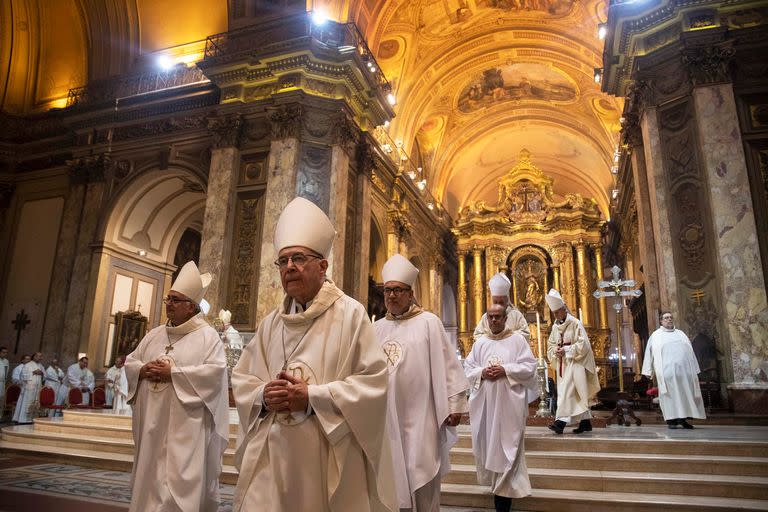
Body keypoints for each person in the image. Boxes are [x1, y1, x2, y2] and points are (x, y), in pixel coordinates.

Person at [232, 197, 396, 512]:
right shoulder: (271, 324)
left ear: (323, 266)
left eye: (299, 258)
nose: (289, 267)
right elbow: (243, 379)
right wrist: (264, 396)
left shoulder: (350, 315)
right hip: (273, 457)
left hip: (325, 456)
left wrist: (312, 397)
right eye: (283, 261)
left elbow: (373, 382)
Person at [124, 261, 229, 512]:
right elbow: (131, 361)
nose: (168, 304)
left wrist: (174, 373)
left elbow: (215, 373)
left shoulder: (207, 336)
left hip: (186, 427)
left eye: (175, 299)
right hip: (152, 423)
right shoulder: (155, 334)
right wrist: (142, 369)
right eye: (167, 299)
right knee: (150, 475)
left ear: (191, 306)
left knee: (179, 481)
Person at [374, 253, 469, 512]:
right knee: (390, 481)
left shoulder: (429, 323)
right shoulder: (376, 329)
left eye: (398, 290)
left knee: (423, 479)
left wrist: (454, 403)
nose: (392, 296)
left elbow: (449, 366)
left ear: (410, 292)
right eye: (388, 291)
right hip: (386, 420)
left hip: (421, 417)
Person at [464, 304, 537, 512]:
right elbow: (468, 368)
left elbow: (529, 367)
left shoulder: (517, 341)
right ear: (487, 319)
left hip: (509, 406)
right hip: (486, 407)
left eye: (498, 317)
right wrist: (482, 373)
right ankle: (497, 488)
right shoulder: (480, 343)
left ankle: (503, 500)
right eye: (491, 317)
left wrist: (506, 369)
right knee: (490, 446)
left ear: (506, 319)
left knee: (509, 447)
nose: (494, 320)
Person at [545, 289, 600, 434]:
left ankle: (560, 423)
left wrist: (567, 351)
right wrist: (555, 351)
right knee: (575, 394)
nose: (556, 315)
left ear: (564, 309)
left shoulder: (575, 323)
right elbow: (551, 344)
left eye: (558, 312)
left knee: (567, 392)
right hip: (564, 364)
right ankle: (585, 422)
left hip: (576, 364)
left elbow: (584, 345)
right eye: (554, 313)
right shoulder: (555, 327)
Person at [642, 311, 706, 429]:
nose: (669, 319)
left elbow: (690, 352)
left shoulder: (681, 334)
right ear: (661, 321)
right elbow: (649, 354)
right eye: (666, 318)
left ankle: (682, 419)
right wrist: (648, 371)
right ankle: (671, 420)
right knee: (670, 397)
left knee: (684, 396)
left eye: (671, 317)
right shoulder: (656, 336)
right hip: (667, 374)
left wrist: (695, 369)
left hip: (684, 374)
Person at [474, 273, 530, 342]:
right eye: (495, 302)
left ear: (507, 300)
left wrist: (508, 336)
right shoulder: (487, 317)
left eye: (501, 302)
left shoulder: (516, 316)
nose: (498, 305)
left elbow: (526, 334)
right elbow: (477, 336)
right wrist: (491, 337)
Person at [13, 351, 44, 424]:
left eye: (41, 356)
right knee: (26, 403)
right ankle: (23, 420)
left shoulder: (40, 365)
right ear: (35, 357)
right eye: (39, 356)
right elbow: (23, 376)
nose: (41, 358)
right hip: (28, 388)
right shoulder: (28, 365)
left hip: (36, 388)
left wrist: (41, 373)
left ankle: (31, 419)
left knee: (35, 403)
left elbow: (44, 375)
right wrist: (33, 372)